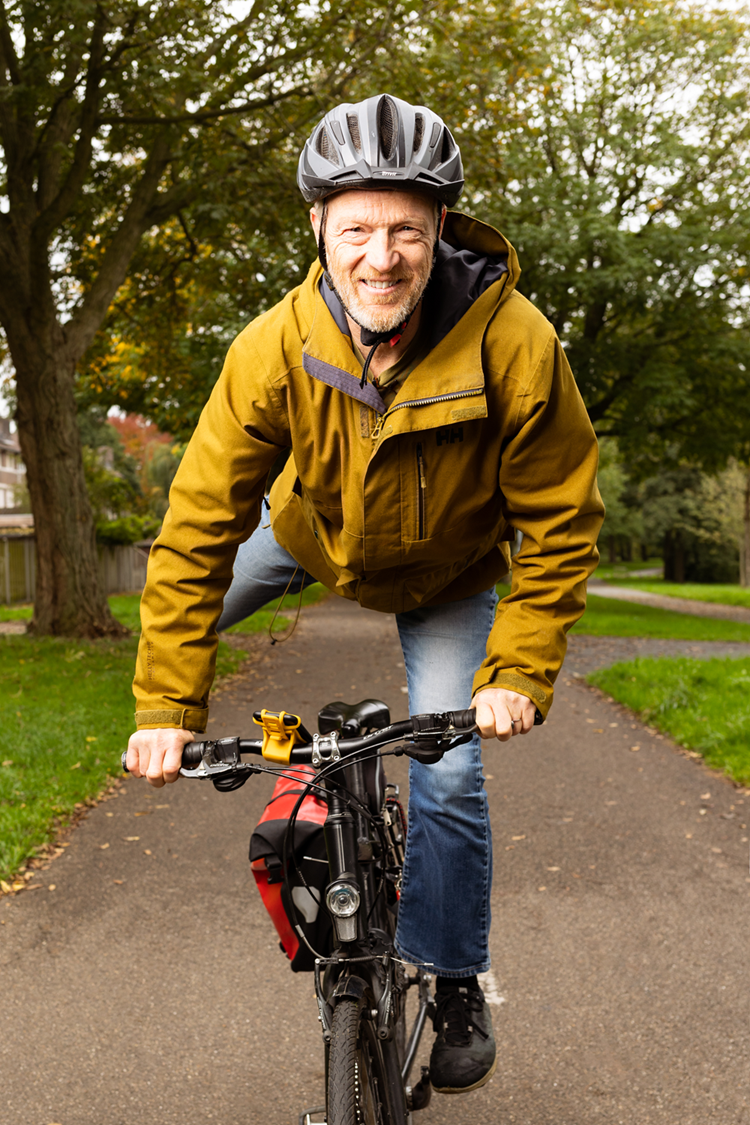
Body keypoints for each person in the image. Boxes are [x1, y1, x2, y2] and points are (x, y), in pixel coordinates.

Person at [127, 93, 604, 1095]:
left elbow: (559, 520)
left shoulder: (514, 341)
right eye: (355, 230)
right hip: (309, 538)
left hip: (449, 574)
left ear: (440, 231)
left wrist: (515, 671)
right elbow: (201, 521)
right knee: (175, 628)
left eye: (404, 230)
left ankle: (457, 974)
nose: (379, 257)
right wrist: (168, 710)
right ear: (318, 230)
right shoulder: (275, 342)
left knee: (450, 772)